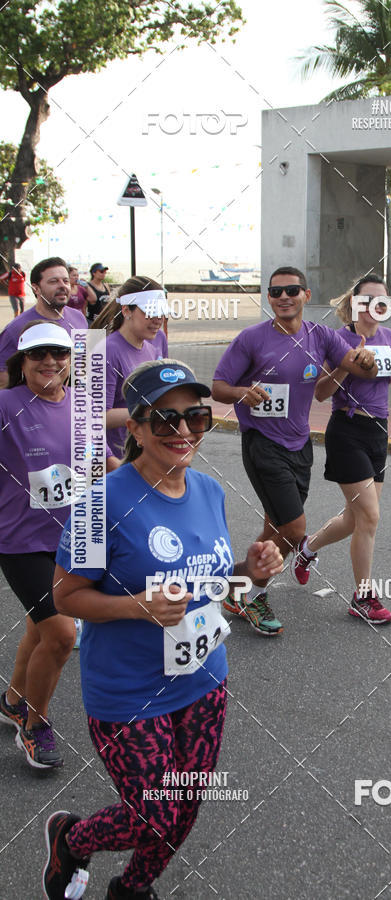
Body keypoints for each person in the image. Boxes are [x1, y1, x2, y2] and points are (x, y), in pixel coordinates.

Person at [42, 358, 283, 900]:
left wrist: (249, 571)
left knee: (185, 807)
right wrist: (136, 607)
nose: (182, 432)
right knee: (153, 814)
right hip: (128, 693)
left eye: (195, 418)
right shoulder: (98, 504)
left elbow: (211, 584)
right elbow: (65, 595)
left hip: (204, 680)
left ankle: (131, 889)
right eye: (163, 420)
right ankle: (71, 839)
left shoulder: (208, 490)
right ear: (135, 429)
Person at [211, 265, 378, 637]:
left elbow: (356, 363)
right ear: (269, 298)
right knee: (294, 529)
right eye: (276, 292)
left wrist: (364, 361)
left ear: (305, 295)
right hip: (262, 443)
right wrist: (242, 393)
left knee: (276, 525)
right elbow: (218, 386)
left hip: (300, 444)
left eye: (292, 291)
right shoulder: (251, 339)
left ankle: (234, 582)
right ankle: (254, 596)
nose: (284, 297)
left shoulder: (321, 336)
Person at [0, 322, 117, 768]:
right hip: (21, 541)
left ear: (71, 359)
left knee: (40, 626)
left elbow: (105, 463)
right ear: (22, 362)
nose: (50, 361)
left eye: (59, 353)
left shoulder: (83, 407)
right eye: (38, 354)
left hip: (76, 537)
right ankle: (34, 725)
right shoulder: (7, 405)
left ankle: (12, 700)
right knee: (62, 634)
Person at [293, 275, 391, 623]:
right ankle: (363, 597)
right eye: (367, 299)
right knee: (370, 517)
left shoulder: (390, 338)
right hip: (347, 430)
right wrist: (348, 363)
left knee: (354, 518)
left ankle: (306, 549)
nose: (374, 306)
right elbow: (321, 393)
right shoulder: (338, 339)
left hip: (378, 432)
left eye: (381, 300)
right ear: (355, 303)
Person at [92, 276, 169, 457]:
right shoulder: (106, 351)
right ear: (127, 311)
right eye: (150, 312)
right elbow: (96, 417)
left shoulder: (159, 339)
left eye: (162, 311)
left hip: (153, 451)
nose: (159, 319)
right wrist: (148, 412)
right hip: (120, 457)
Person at [0, 256, 87, 389]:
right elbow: (4, 378)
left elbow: (85, 364)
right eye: (54, 281)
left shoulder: (79, 318)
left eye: (65, 281)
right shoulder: (15, 328)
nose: (62, 286)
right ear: (36, 288)